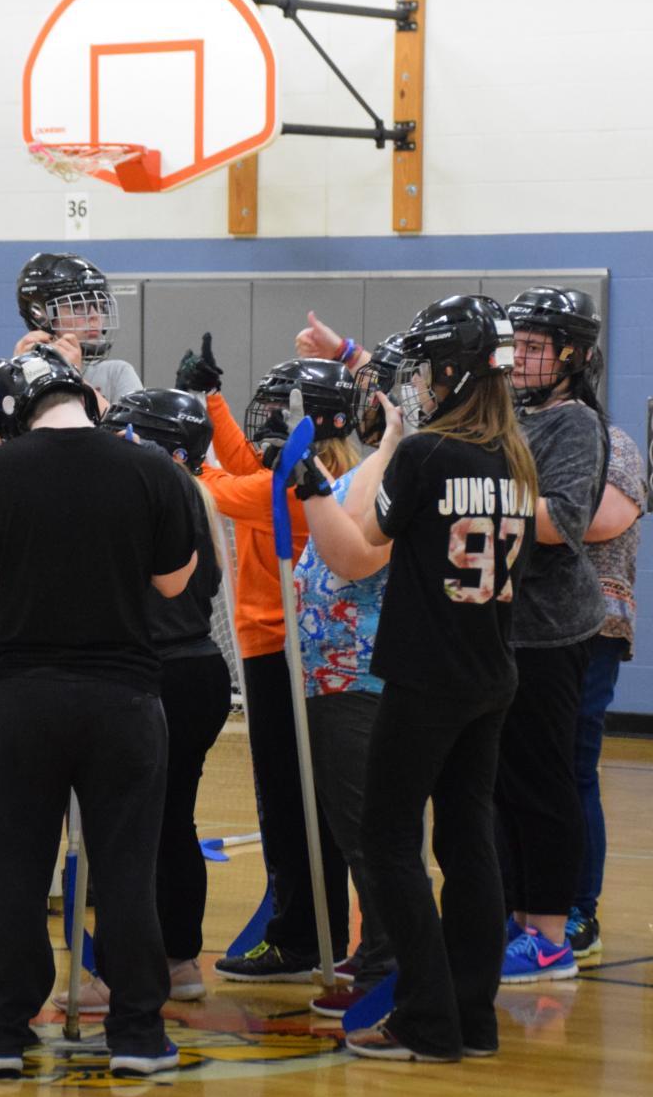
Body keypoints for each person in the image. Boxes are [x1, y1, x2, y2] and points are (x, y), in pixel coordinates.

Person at [294, 294, 538, 1061]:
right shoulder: (514, 457)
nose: (422, 385)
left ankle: (425, 1016)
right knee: (467, 843)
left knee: (389, 842)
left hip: (425, 678)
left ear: (453, 371)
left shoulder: (428, 453)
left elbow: (359, 543)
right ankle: (473, 1017)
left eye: (430, 371)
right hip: (490, 672)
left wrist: (314, 485)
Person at [0, 346, 197, 1077]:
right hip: (122, 697)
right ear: (87, 397)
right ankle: (135, 1035)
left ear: (13, 414)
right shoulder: (151, 466)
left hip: (22, 697)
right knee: (126, 870)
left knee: (16, 869)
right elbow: (173, 579)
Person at [53, 388, 232, 1013]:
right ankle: (179, 960)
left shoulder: (147, 490)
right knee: (171, 822)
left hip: (156, 672)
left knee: (128, 831)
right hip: (198, 671)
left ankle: (125, 975)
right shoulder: (196, 493)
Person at [177, 341, 352, 982]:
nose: (269, 419)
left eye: (281, 409)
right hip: (284, 653)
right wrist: (212, 401)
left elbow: (221, 486)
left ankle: (298, 937)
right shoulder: (319, 474)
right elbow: (245, 464)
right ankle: (314, 929)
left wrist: (176, 448)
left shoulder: (300, 490)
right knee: (300, 802)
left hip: (281, 655)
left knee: (287, 805)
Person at [287, 345, 403, 1019]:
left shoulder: (390, 476)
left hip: (360, 678)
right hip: (331, 679)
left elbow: (357, 555)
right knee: (349, 824)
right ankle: (375, 951)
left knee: (368, 829)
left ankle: (388, 961)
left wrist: (389, 438)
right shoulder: (367, 472)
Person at [498, 286, 610, 984]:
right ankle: (514, 919)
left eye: (535, 348)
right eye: (518, 345)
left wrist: (475, 492)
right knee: (499, 787)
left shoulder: (575, 426)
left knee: (542, 784)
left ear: (571, 356)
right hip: (499, 631)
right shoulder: (513, 412)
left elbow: (557, 521)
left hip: (549, 633)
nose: (520, 359)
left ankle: (548, 934)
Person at [0, 252, 140, 472]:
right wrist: (15, 379)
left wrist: (74, 376)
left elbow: (140, 450)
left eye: (99, 306)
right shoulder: (6, 381)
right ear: (40, 314)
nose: (95, 317)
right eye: (79, 307)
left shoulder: (116, 374)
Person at [567, 422, 642, 957]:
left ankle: (579, 910)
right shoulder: (522, 433)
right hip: (528, 625)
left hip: (596, 627)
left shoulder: (613, 444)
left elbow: (602, 519)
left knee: (574, 769)